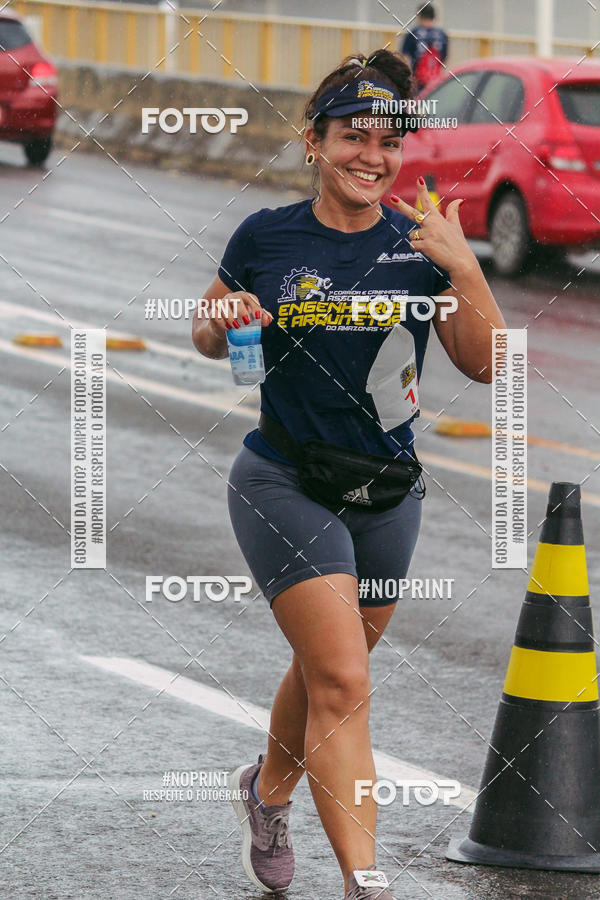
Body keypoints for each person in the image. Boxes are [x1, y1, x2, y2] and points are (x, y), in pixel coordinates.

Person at [192, 48, 505, 900]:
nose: (374, 156)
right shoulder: (266, 235)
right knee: (344, 679)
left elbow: (485, 367)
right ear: (314, 142)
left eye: (389, 143)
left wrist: (465, 265)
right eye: (353, 138)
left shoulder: (423, 240)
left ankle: (267, 792)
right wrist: (221, 320)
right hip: (283, 481)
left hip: (388, 494)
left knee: (327, 667)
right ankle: (366, 880)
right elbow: (212, 330)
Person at [401, 3, 448, 91]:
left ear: (419, 15)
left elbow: (405, 57)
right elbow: (445, 57)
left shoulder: (413, 33)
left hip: (418, 80)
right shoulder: (442, 34)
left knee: (419, 102)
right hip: (436, 80)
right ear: (434, 16)